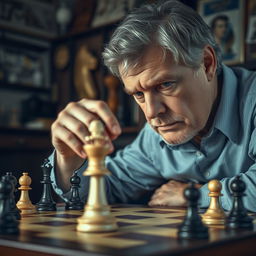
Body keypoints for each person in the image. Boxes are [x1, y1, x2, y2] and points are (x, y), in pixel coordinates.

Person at [49, 0, 256, 212]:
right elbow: (102, 191)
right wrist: (68, 158)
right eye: (138, 94)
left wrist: (192, 195)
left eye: (165, 85)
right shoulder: (154, 136)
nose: (151, 112)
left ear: (206, 63)